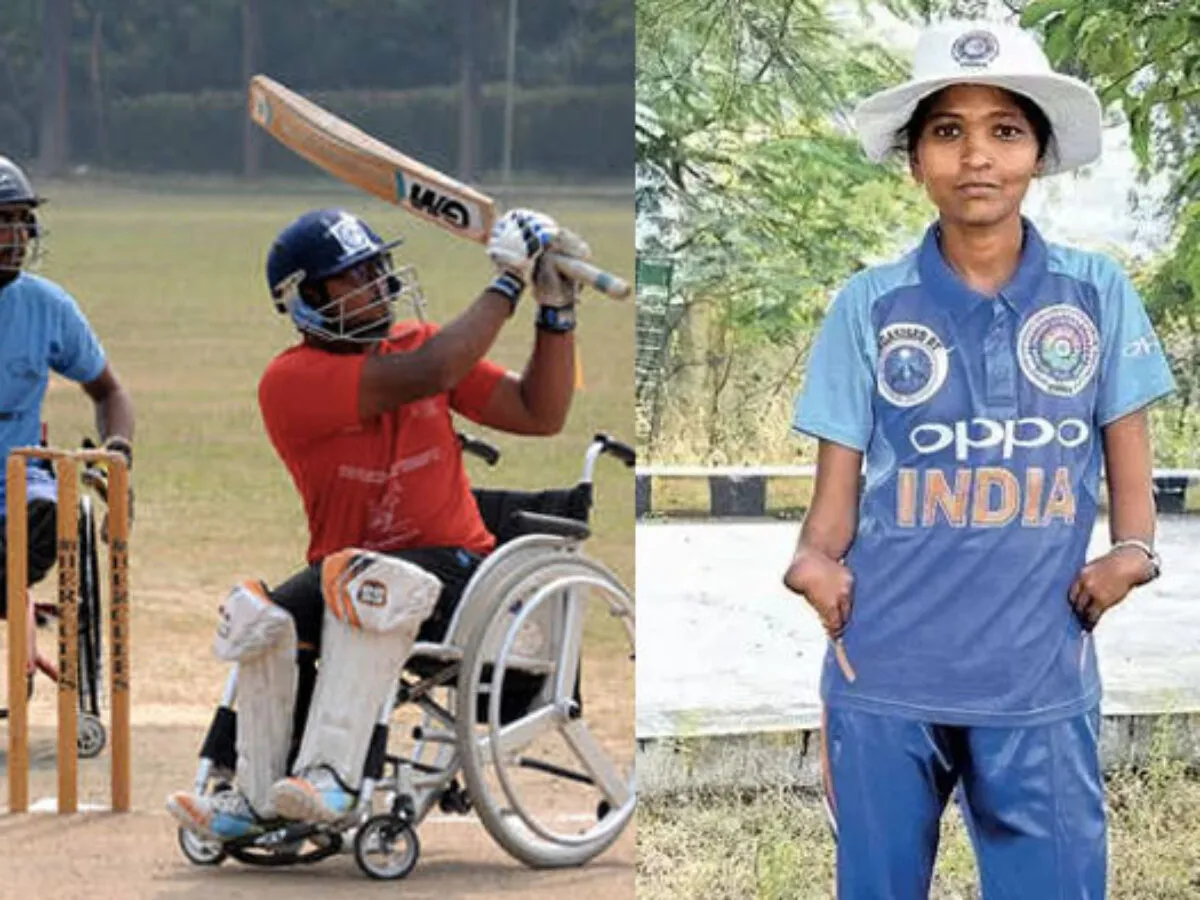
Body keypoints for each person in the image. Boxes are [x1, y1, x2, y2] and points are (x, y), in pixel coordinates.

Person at [783, 20, 1175, 900]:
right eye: (947, 131)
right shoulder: (869, 306)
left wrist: (1133, 551)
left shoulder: (1096, 292)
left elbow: (1127, 461)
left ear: (1038, 153)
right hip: (884, 678)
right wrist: (814, 564)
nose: (976, 156)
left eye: (1005, 130)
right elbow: (835, 500)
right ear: (915, 158)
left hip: (1039, 675)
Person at [167, 205, 583, 840]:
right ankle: (245, 791)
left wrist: (554, 311)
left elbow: (538, 412)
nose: (379, 284)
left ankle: (335, 777)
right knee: (263, 617)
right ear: (306, 299)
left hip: (456, 578)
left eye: (377, 267)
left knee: (363, 585)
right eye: (353, 277)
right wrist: (505, 280)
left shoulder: (420, 344)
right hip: (348, 573)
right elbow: (431, 373)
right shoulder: (291, 380)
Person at [0, 155, 135, 689]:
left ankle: (10, 565)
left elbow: (110, 391)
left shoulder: (46, 305)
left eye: (19, 221)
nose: (13, 236)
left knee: (48, 510)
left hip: (15, 479)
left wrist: (119, 447)